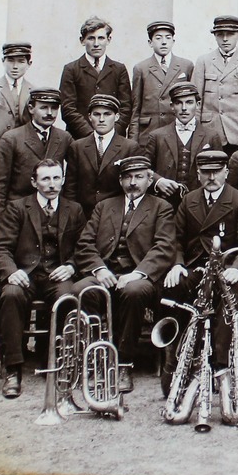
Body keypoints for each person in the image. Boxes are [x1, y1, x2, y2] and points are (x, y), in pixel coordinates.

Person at [0, 158, 85, 399]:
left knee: (68, 297)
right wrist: (12, 271)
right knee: (10, 295)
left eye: (56, 178)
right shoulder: (18, 208)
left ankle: (60, 362)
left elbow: (84, 247)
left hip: (56, 274)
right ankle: (13, 370)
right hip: (25, 275)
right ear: (34, 182)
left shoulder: (74, 209)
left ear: (62, 180)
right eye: (45, 179)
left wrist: (72, 266)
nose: (51, 184)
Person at [73, 154, 177, 367]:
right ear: (120, 181)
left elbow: (164, 248)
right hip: (107, 273)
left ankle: (123, 362)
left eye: (139, 177)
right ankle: (96, 356)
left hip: (140, 276)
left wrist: (136, 274)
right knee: (81, 290)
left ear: (149, 180)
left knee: (133, 292)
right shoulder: (104, 206)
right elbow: (84, 244)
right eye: (128, 177)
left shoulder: (161, 207)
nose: (133, 183)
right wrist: (99, 269)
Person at [162, 149, 238, 389]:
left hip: (226, 268)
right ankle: (176, 359)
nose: (211, 178)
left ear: (227, 173)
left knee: (229, 295)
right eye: (205, 173)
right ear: (198, 174)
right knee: (174, 286)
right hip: (195, 266)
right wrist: (178, 264)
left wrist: (237, 269)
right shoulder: (188, 200)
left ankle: (219, 364)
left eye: (216, 172)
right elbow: (176, 240)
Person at [140, 80, 226, 203]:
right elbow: (145, 168)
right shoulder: (157, 136)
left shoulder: (211, 136)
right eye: (178, 103)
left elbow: (220, 170)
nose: (184, 108)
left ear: (198, 104)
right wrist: (158, 181)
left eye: (189, 102)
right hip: (164, 201)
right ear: (172, 106)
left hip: (200, 201)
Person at [0, 87, 72, 217]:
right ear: (31, 108)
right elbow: (0, 183)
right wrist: (2, 218)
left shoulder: (64, 138)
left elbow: (73, 176)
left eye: (54, 108)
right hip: (19, 212)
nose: (50, 113)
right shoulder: (12, 138)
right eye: (44, 108)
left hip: (53, 213)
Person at [58, 16, 133, 139]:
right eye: (91, 38)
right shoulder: (71, 69)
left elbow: (126, 107)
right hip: (80, 139)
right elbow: (68, 109)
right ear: (82, 40)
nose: (96, 44)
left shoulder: (119, 69)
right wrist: (90, 135)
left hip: (113, 139)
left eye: (101, 38)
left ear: (108, 40)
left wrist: (112, 134)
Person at [66, 93, 138, 217]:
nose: (101, 119)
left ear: (117, 117)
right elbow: (70, 187)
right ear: (89, 117)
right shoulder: (77, 147)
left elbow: (133, 187)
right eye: (97, 114)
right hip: (83, 214)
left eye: (107, 114)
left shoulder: (129, 147)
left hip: (116, 214)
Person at [190, 15, 238, 150]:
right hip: (210, 130)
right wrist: (197, 131)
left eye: (230, 34)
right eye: (220, 34)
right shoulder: (204, 61)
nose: (224, 39)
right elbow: (195, 100)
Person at [127, 20, 193, 138]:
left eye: (168, 38)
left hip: (177, 130)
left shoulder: (185, 65)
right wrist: (133, 140)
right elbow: (136, 108)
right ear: (150, 42)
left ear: (173, 41)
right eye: (158, 38)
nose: (163, 42)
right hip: (149, 131)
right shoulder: (141, 68)